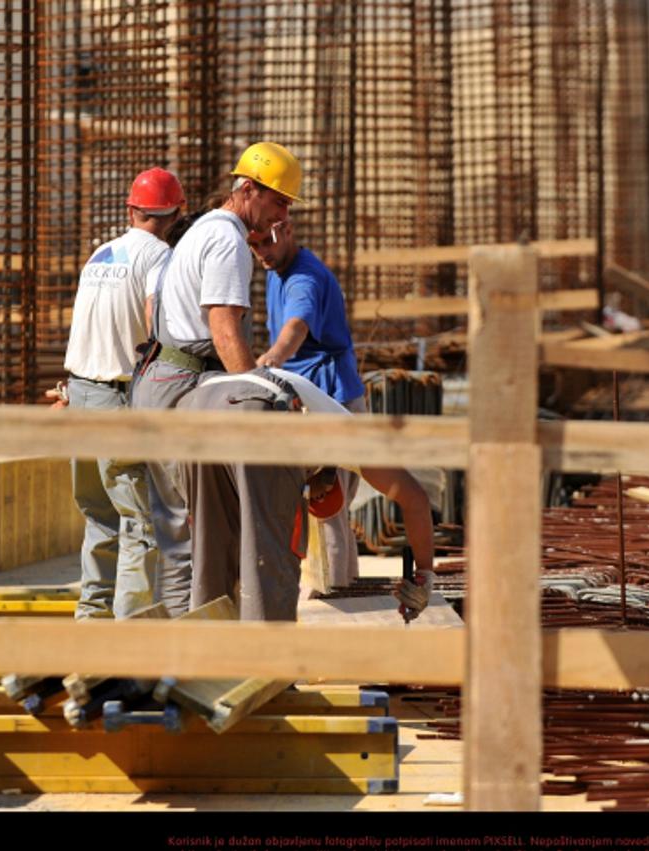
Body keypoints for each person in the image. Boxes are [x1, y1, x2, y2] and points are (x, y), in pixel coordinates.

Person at [130, 141, 303, 616]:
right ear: (247, 190)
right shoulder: (228, 240)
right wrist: (254, 394)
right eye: (278, 201)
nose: (281, 215)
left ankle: (187, 656)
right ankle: (187, 665)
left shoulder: (204, 228)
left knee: (180, 536)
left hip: (162, 380)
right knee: (190, 538)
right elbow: (224, 329)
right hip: (180, 385)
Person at [175, 366, 435, 622]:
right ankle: (268, 660)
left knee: (210, 560)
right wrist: (425, 576)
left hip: (196, 406)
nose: (310, 497)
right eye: (316, 497)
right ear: (331, 477)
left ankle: (207, 657)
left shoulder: (315, 418)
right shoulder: (354, 439)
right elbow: (416, 500)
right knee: (269, 565)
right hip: (258, 403)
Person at [63, 167, 183, 619]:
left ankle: (92, 620)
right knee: (141, 524)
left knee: (99, 516)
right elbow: (154, 319)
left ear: (131, 209)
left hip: (81, 395)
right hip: (118, 399)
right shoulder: (159, 257)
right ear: (177, 212)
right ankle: (129, 637)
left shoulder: (101, 254)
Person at [248, 216, 368, 591]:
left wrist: (270, 360)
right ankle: (343, 586)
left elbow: (296, 328)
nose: (261, 253)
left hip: (331, 399)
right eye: (254, 245)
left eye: (267, 242)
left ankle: (336, 591)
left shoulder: (303, 278)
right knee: (332, 507)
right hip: (322, 396)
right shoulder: (277, 269)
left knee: (326, 504)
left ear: (286, 230)